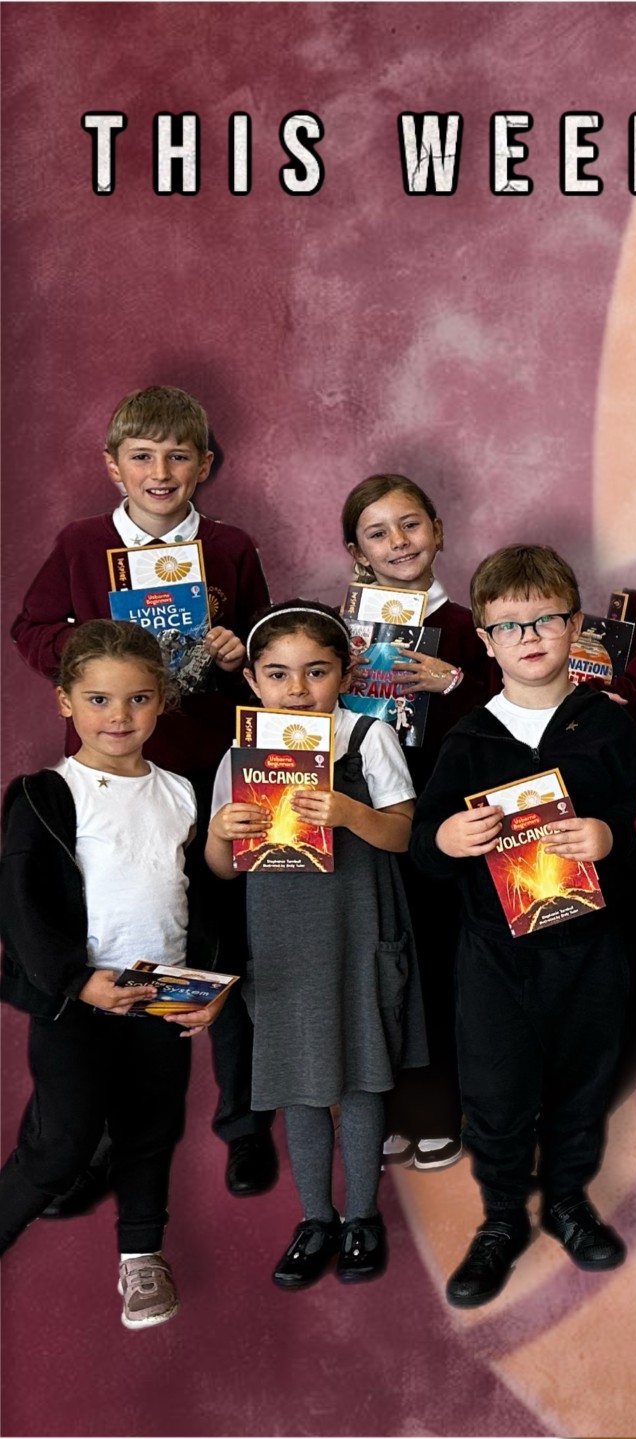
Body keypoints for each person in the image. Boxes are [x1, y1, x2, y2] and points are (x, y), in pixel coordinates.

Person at [9, 385, 278, 1201]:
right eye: (143, 456)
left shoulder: (229, 547)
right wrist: (95, 652)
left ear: (204, 466)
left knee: (220, 942)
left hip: (204, 774)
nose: (160, 471)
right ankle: (91, 1140)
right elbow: (30, 629)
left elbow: (266, 655)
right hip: (110, 778)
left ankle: (243, 1123)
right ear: (114, 465)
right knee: (108, 936)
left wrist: (236, 652)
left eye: (178, 456)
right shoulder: (82, 542)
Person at [409, 545, 636, 1307]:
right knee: (497, 1087)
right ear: (485, 639)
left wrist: (609, 836)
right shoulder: (468, 739)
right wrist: (450, 838)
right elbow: (423, 849)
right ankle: (503, 1215)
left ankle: (568, 1199)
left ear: (575, 625)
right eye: (510, 625)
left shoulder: (611, 728)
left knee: (582, 1080)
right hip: (495, 955)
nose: (530, 635)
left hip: (590, 948)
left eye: (545, 619)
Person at [0, 621, 228, 1327]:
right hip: (78, 999)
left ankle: (142, 1257)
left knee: (149, 1128)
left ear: (161, 701)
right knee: (60, 1143)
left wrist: (211, 986)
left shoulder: (183, 793)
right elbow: (21, 903)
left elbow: (205, 898)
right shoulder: (45, 793)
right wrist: (75, 980)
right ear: (66, 701)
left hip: (159, 993)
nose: (118, 716)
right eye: (98, 699)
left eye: (137, 698)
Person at [205, 602, 426, 1288]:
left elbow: (403, 835)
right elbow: (223, 868)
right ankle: (316, 1218)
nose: (297, 688)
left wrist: (351, 812)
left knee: (361, 1073)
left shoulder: (368, 736)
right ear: (252, 681)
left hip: (358, 931)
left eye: (316, 671)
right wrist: (220, 833)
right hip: (281, 941)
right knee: (297, 1081)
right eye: (277, 673)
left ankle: (361, 1214)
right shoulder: (240, 754)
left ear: (346, 674)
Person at [341, 473, 499, 1174]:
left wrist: (453, 681)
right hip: (367, 817)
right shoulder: (340, 630)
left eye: (410, 524)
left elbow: (514, 714)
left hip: (446, 821)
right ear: (357, 551)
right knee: (378, 963)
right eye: (378, 533)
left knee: (438, 963)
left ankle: (438, 1107)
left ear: (437, 530)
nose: (398, 542)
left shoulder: (471, 625)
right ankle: (387, 1107)